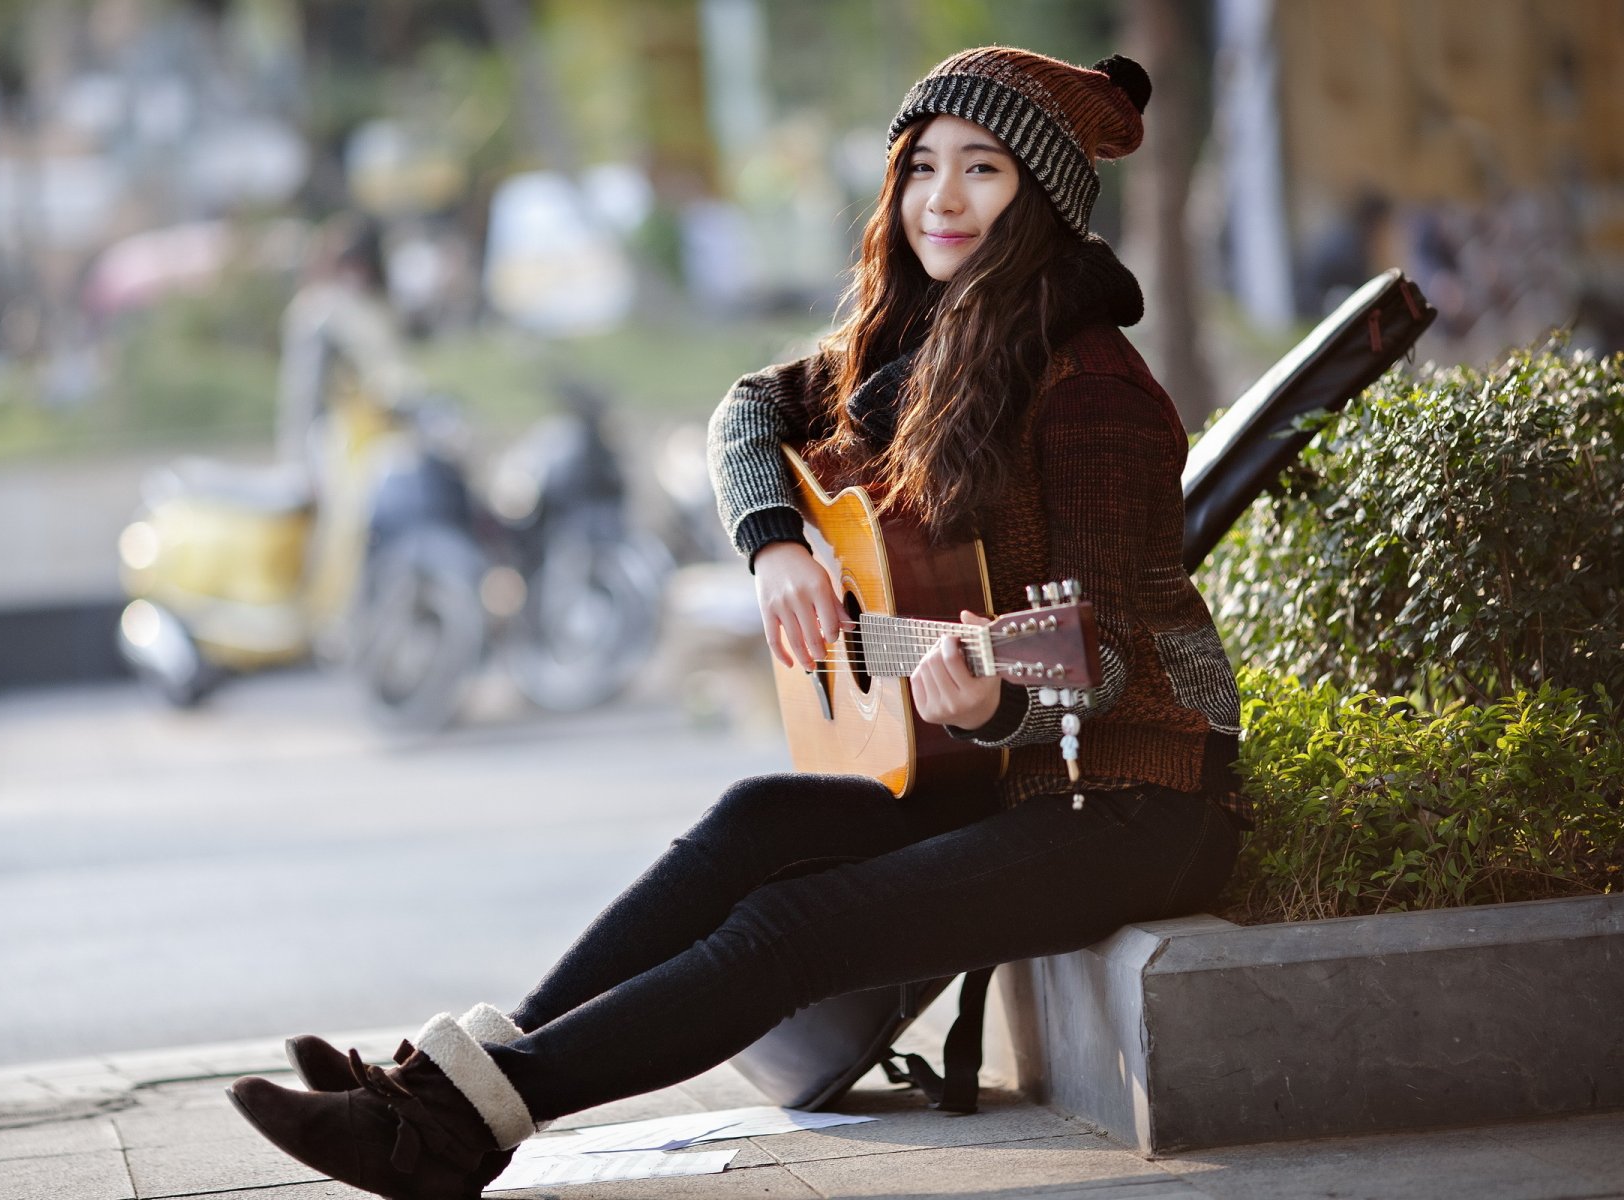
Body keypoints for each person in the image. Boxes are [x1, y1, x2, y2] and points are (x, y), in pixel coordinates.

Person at [225, 46, 1248, 1200]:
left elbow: (1108, 649)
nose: (941, 200)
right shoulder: (923, 349)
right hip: (1021, 780)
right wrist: (772, 545)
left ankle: (440, 1137)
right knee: (755, 818)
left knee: (794, 923)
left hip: (1141, 801)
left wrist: (1003, 695)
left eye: (984, 171)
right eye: (920, 168)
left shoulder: (1095, 393)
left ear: (1046, 198)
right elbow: (746, 411)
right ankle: (450, 1089)